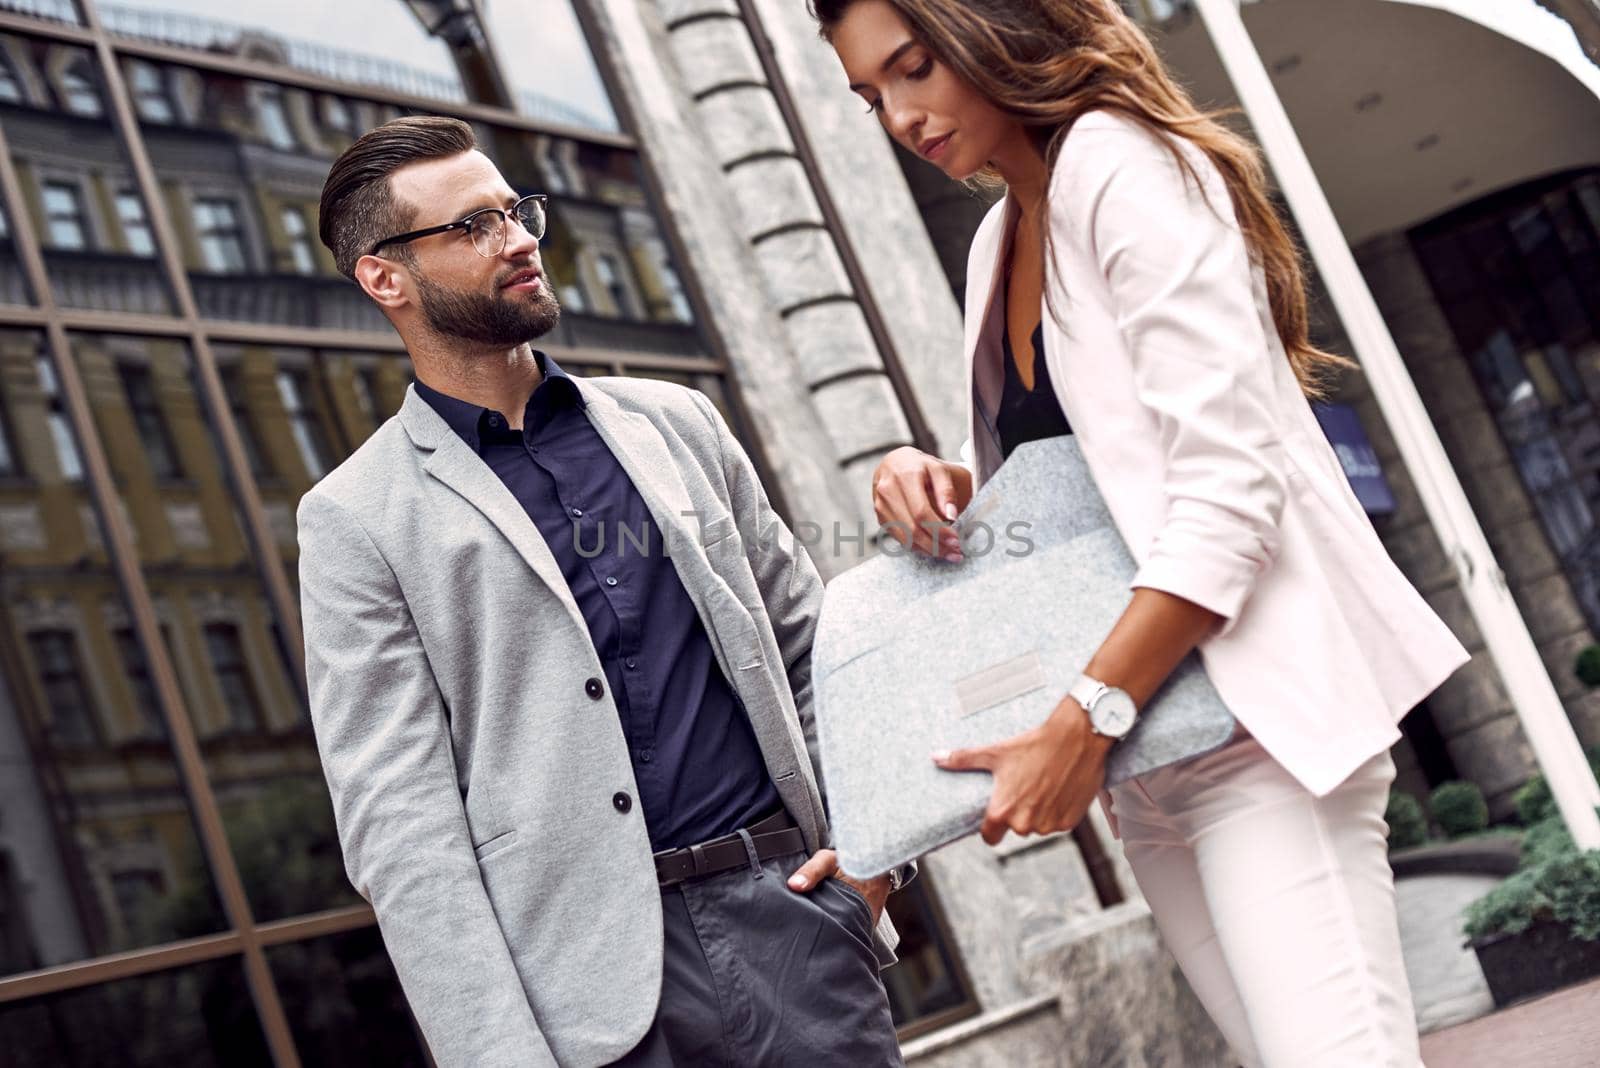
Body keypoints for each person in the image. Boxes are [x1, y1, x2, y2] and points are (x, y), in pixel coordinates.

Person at [815, 2, 1469, 1065]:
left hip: (1255, 733)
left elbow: (1225, 492)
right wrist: (927, 479)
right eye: (870, 96)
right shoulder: (999, 242)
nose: (899, 114)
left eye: (916, 68)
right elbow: (1083, 494)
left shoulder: (1125, 166)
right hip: (1149, 762)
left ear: (994, 27)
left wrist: (1082, 720)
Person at [300, 115, 908, 1068]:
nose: (521, 238)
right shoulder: (357, 518)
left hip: (795, 925)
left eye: (517, 211)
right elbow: (401, 826)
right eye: (475, 227)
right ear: (386, 277)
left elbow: (814, 646)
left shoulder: (677, 425)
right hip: (587, 1005)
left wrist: (872, 853)